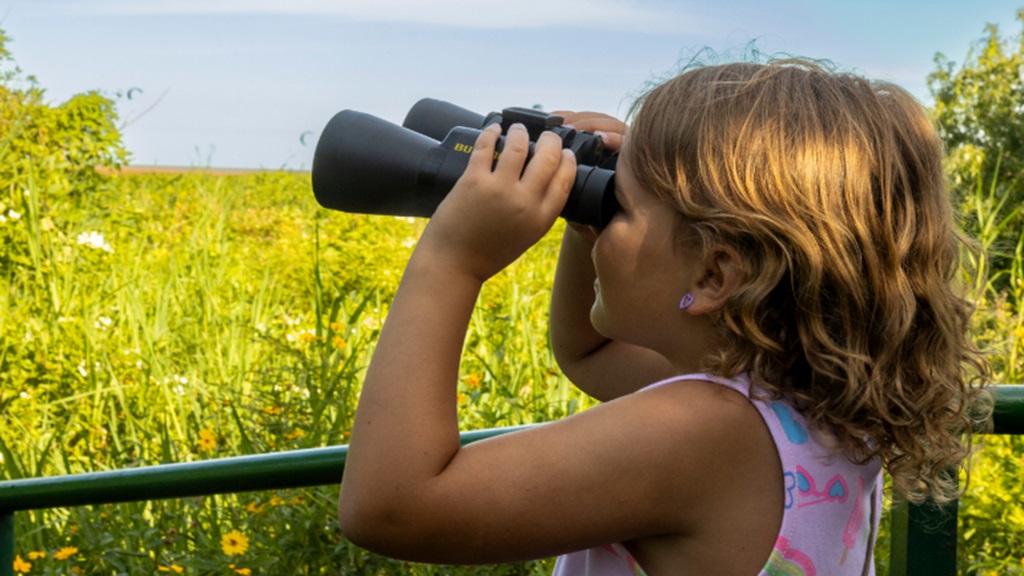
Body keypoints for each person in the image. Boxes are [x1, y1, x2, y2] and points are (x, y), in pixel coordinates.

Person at [337, 58, 990, 575]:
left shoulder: (704, 433)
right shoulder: (806, 397)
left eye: (616, 204)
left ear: (713, 276)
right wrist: (591, 216)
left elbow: (392, 508)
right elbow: (588, 355)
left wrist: (451, 259)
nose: (597, 214)